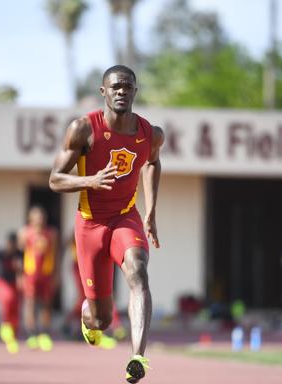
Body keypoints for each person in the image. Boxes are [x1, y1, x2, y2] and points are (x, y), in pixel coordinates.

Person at [49, 65, 164, 383]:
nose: (121, 91)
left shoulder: (149, 133)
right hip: (90, 226)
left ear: (135, 91)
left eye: (128, 86)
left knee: (138, 271)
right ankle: (91, 319)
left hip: (125, 217)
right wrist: (91, 180)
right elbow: (55, 180)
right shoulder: (84, 129)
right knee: (100, 319)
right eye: (115, 87)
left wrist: (151, 211)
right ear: (104, 92)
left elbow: (152, 163)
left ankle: (137, 357)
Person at [17, 206, 59, 352]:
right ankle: (32, 334)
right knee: (30, 303)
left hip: (46, 274)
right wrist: (20, 275)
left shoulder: (51, 233)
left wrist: (56, 274)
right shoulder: (24, 232)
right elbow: (18, 256)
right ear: (31, 218)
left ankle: (45, 334)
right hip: (30, 274)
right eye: (36, 217)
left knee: (46, 304)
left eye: (41, 216)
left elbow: (55, 254)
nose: (39, 219)